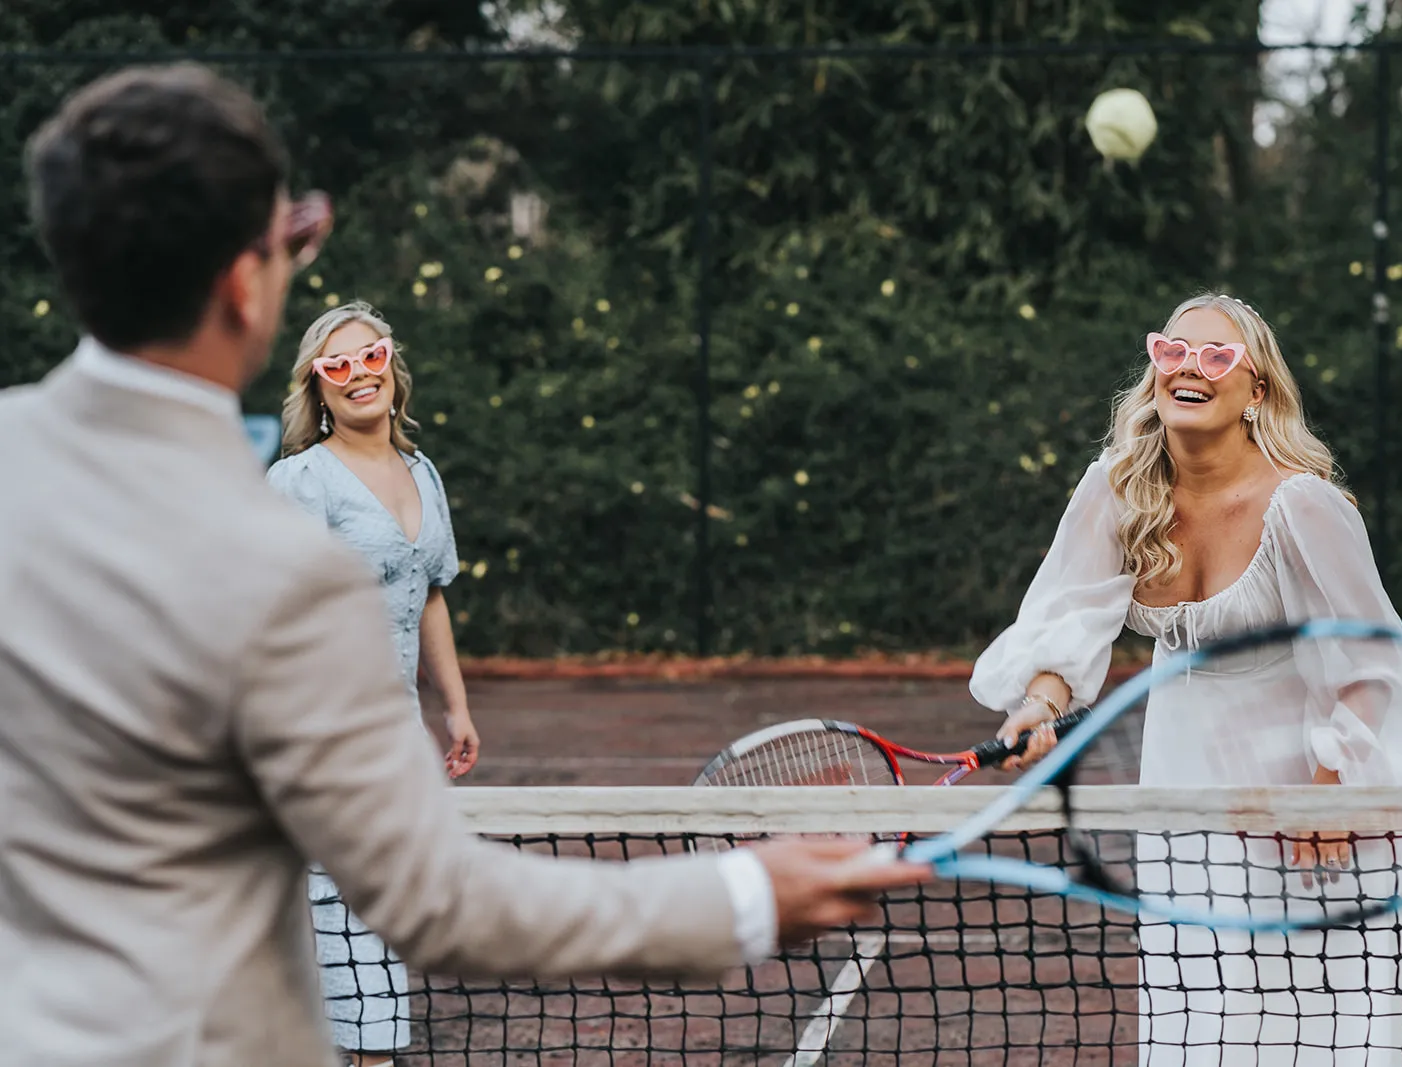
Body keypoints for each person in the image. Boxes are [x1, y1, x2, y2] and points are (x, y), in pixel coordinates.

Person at [0, 63, 928, 1067]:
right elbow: (434, 896)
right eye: (288, 244)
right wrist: (745, 895)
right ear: (244, 282)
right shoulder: (285, 564)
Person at [970, 293, 1402, 1066]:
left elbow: (1371, 661)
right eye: (1173, 351)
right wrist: (1039, 705)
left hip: (1312, 793)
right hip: (1184, 796)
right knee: (1208, 1006)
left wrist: (1332, 783)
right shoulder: (1119, 488)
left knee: (1344, 1017)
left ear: (1257, 391)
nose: (1190, 368)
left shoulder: (1301, 505)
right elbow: (1066, 613)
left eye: (1217, 356)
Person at [267, 301, 478, 1063]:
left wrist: (453, 707)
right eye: (337, 365)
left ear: (393, 366)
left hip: (390, 748)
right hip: (318, 745)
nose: (359, 375)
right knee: (340, 924)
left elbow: (432, 595)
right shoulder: (299, 482)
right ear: (316, 389)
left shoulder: (423, 474)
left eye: (371, 356)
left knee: (369, 921)